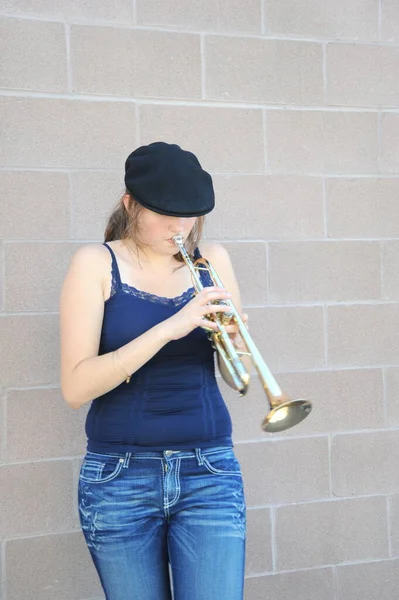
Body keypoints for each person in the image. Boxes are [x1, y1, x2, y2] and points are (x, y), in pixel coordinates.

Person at [60, 141, 250, 600]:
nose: (178, 228)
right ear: (130, 205)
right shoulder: (96, 263)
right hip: (118, 477)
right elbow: (75, 387)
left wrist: (235, 344)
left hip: (209, 471)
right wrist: (170, 328)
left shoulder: (214, 261)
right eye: (164, 214)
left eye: (188, 216)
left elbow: (235, 377)